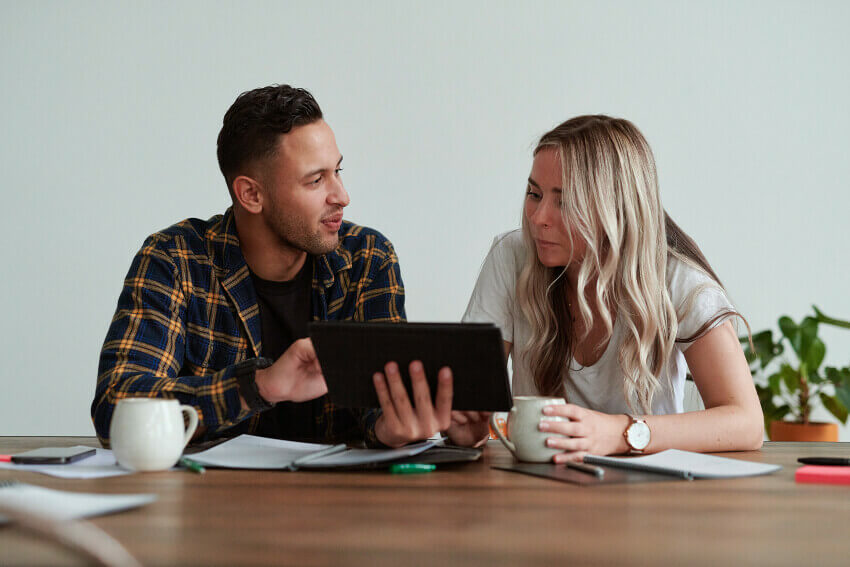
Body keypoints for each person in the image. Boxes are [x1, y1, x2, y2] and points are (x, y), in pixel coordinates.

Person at [92, 84, 474, 449]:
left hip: (341, 507)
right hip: (209, 507)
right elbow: (117, 407)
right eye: (315, 180)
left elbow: (375, 405)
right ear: (251, 194)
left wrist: (390, 427)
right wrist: (258, 386)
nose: (342, 196)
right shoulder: (175, 259)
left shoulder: (367, 259)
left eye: (337, 171)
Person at [462, 115, 764, 461]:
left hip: (650, 495)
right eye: (534, 194)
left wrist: (620, 433)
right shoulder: (511, 257)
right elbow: (471, 401)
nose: (538, 217)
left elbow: (747, 422)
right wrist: (465, 424)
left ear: (616, 210)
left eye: (563, 201)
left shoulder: (677, 281)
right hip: (537, 489)